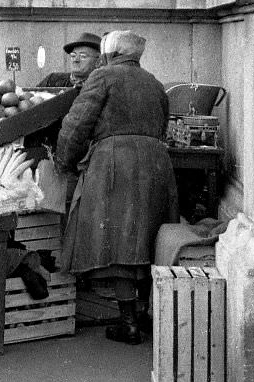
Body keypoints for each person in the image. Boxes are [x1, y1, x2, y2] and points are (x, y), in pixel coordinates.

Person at [56, 30, 179, 345]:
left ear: (108, 53)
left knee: (119, 240)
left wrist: (65, 162)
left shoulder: (103, 77)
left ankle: (128, 323)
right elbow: (163, 126)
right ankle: (145, 314)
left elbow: (76, 124)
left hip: (115, 163)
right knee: (148, 237)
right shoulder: (155, 83)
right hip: (156, 164)